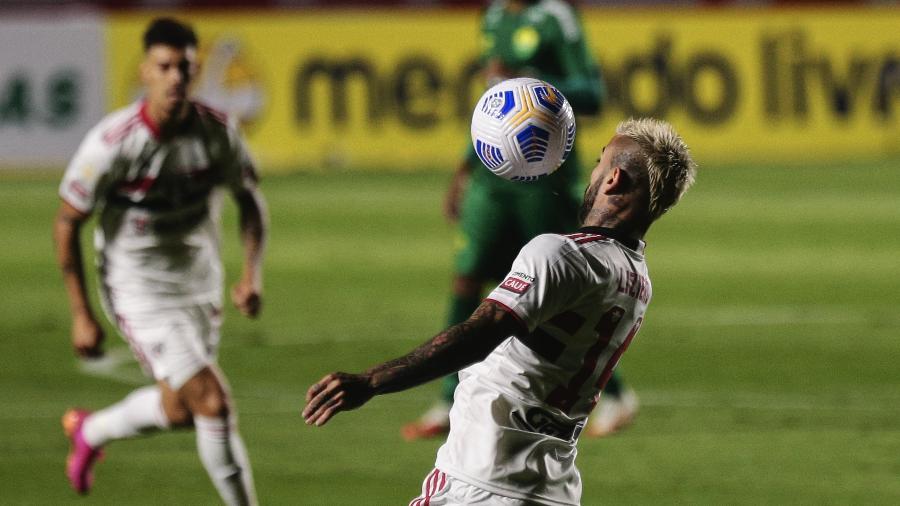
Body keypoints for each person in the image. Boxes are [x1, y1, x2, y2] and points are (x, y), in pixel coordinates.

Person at [304, 117, 697, 505]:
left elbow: (481, 333)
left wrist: (371, 382)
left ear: (614, 180)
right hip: (550, 490)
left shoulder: (560, 255)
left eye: (599, 161)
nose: (591, 172)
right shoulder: (637, 279)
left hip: (481, 481)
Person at [403, 0, 637, 441]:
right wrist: (465, 166)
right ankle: (449, 400)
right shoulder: (493, 16)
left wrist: (532, 83)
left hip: (545, 176)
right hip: (493, 177)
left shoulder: (556, 17)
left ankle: (616, 392)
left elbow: (590, 94)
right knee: (466, 279)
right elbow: (495, 104)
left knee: (558, 291)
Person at [54, 18, 266, 505]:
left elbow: (250, 201)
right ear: (145, 71)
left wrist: (251, 273)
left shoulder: (217, 133)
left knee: (179, 410)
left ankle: (90, 431)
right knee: (212, 401)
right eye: (164, 66)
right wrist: (82, 314)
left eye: (185, 67)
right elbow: (67, 222)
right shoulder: (111, 144)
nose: (175, 77)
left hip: (198, 282)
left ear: (195, 72)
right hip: (137, 288)